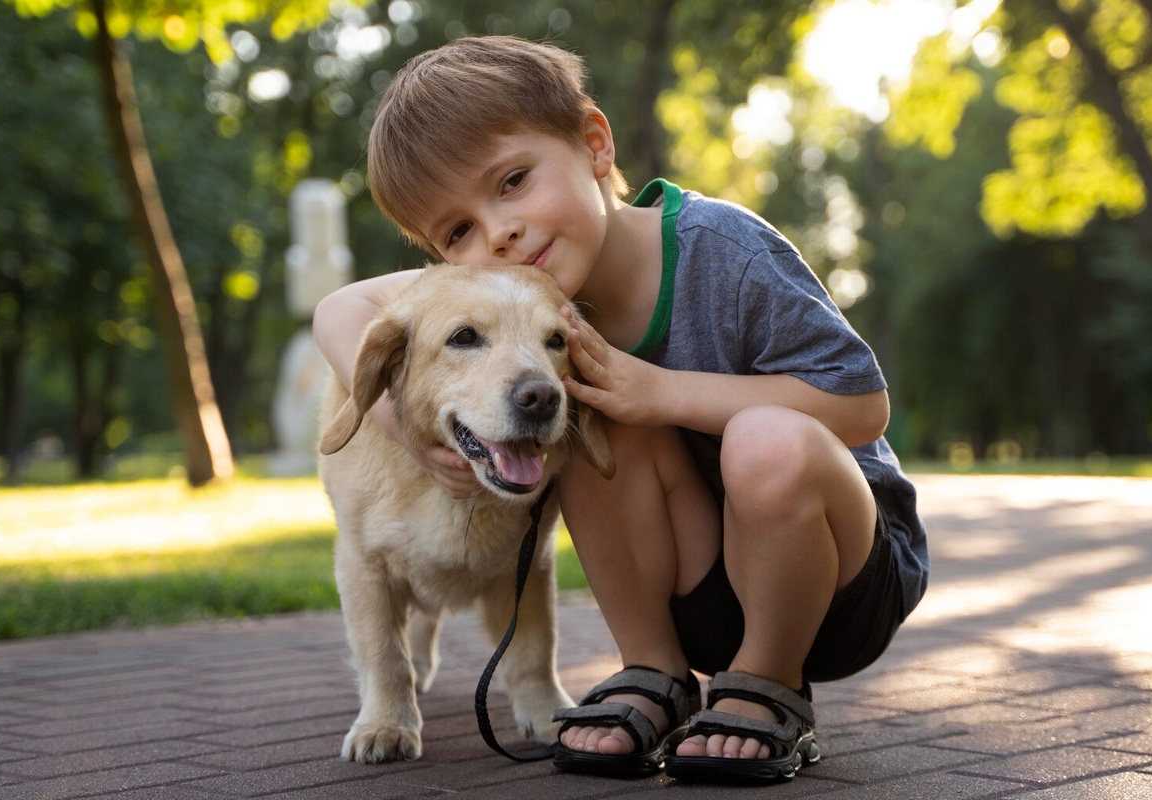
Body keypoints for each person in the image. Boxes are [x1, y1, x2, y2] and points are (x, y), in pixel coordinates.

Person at [314, 35, 928, 786]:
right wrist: (406, 435)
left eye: (512, 181)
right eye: (458, 232)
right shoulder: (520, 300)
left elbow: (862, 404)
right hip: (702, 593)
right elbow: (339, 310)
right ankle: (655, 670)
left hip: (843, 584)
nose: (498, 233)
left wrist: (661, 391)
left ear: (595, 144)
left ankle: (768, 685)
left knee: (764, 440)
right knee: (584, 415)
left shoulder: (724, 250)